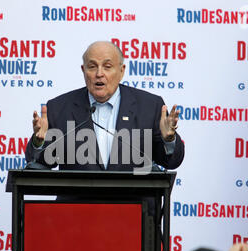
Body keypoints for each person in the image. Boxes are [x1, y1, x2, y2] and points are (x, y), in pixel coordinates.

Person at [26, 40, 184, 172]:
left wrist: (169, 140)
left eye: (107, 67)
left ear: (121, 71)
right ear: (84, 70)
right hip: (76, 207)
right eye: (92, 66)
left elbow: (171, 162)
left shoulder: (150, 106)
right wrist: (38, 143)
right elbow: (39, 163)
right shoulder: (60, 108)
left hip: (135, 205)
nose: (99, 73)